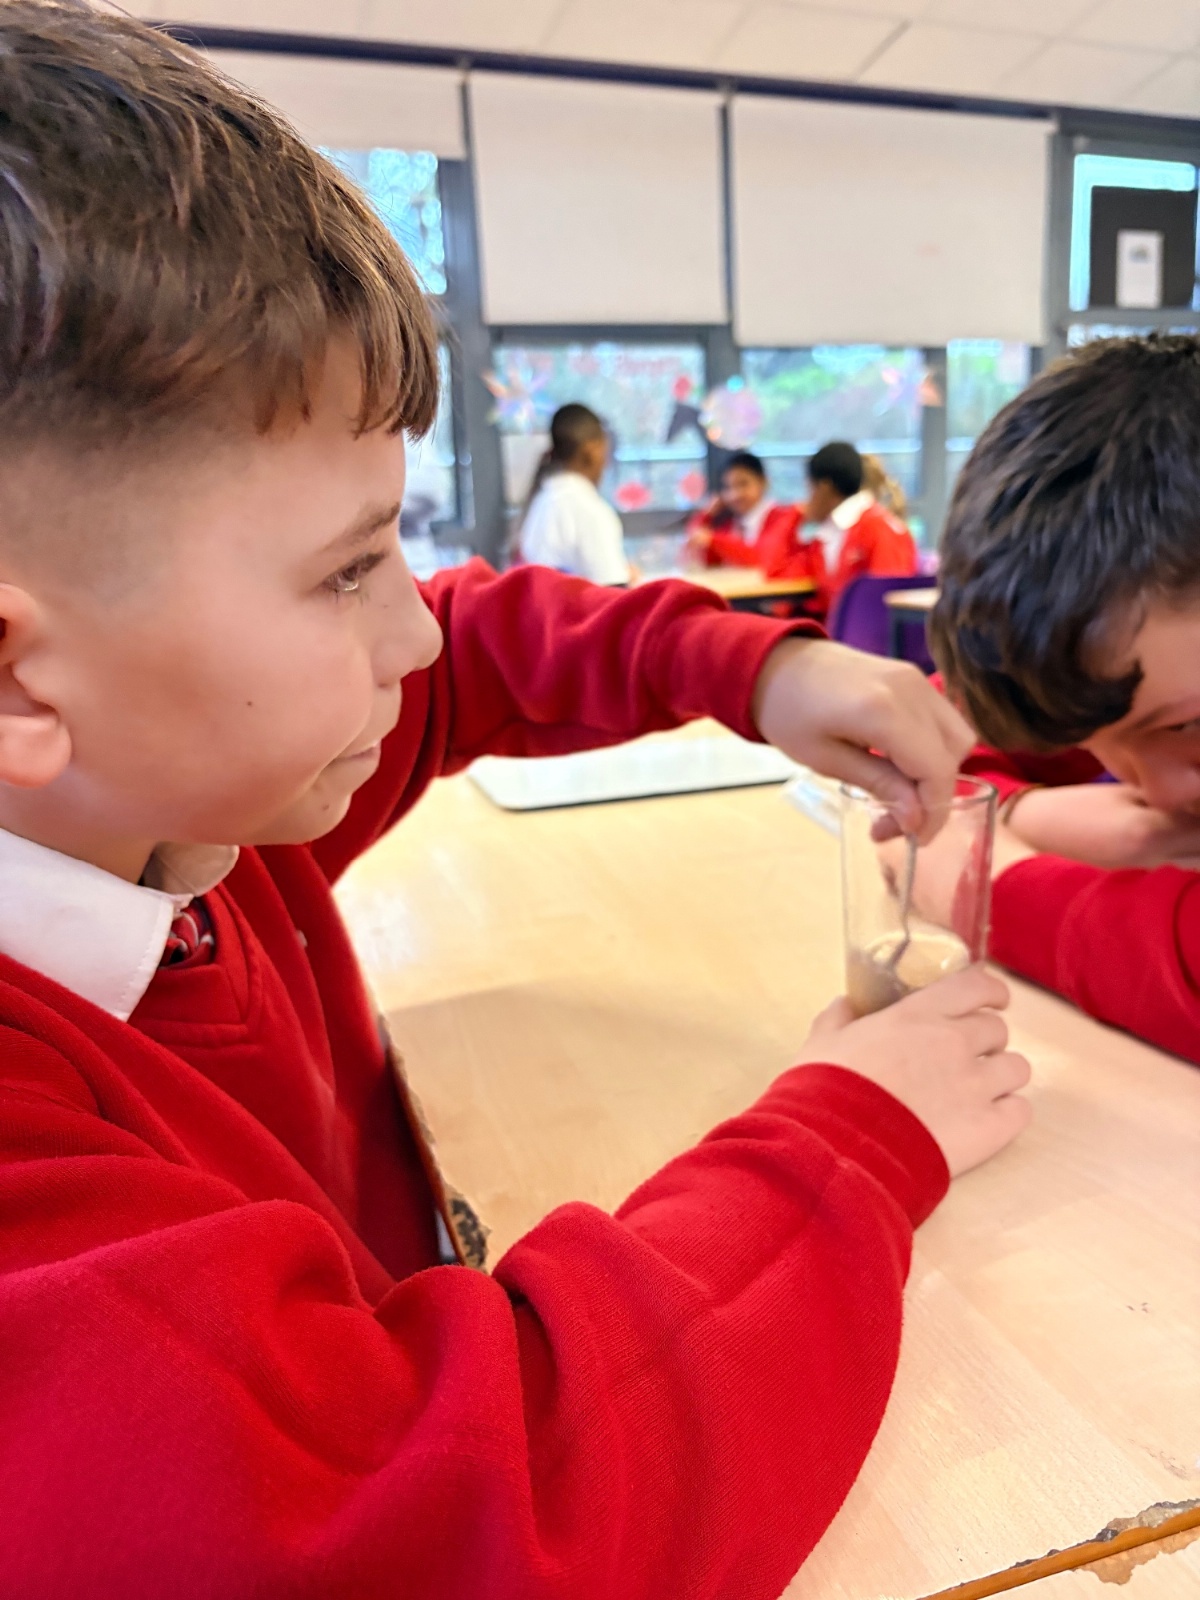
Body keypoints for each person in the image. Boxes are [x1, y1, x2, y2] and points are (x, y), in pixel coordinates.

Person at [0, 9, 1031, 1598]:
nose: (409, 632)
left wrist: (755, 668)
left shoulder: (169, 797)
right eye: (347, 570)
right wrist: (855, 1133)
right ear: (19, 681)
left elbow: (478, 648)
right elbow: (475, 1517)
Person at [931, 332, 1200, 1068]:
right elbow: (921, 742)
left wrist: (985, 881)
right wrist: (1025, 812)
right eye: (1099, 746)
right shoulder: (1136, 668)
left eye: (1188, 725)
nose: (1159, 796)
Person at [519, 402, 631, 584]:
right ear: (594, 450)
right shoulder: (589, 511)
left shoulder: (542, 502)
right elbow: (613, 591)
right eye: (606, 452)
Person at [806, 440, 918, 609]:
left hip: (867, 625)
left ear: (824, 487)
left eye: (810, 489)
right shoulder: (829, 532)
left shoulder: (880, 530)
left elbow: (886, 604)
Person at [685, 449, 822, 581]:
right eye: (728, 487)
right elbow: (700, 553)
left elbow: (761, 557)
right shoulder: (728, 524)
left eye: (743, 484)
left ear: (763, 482)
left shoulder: (783, 517)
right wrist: (706, 515)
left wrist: (713, 540)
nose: (735, 495)